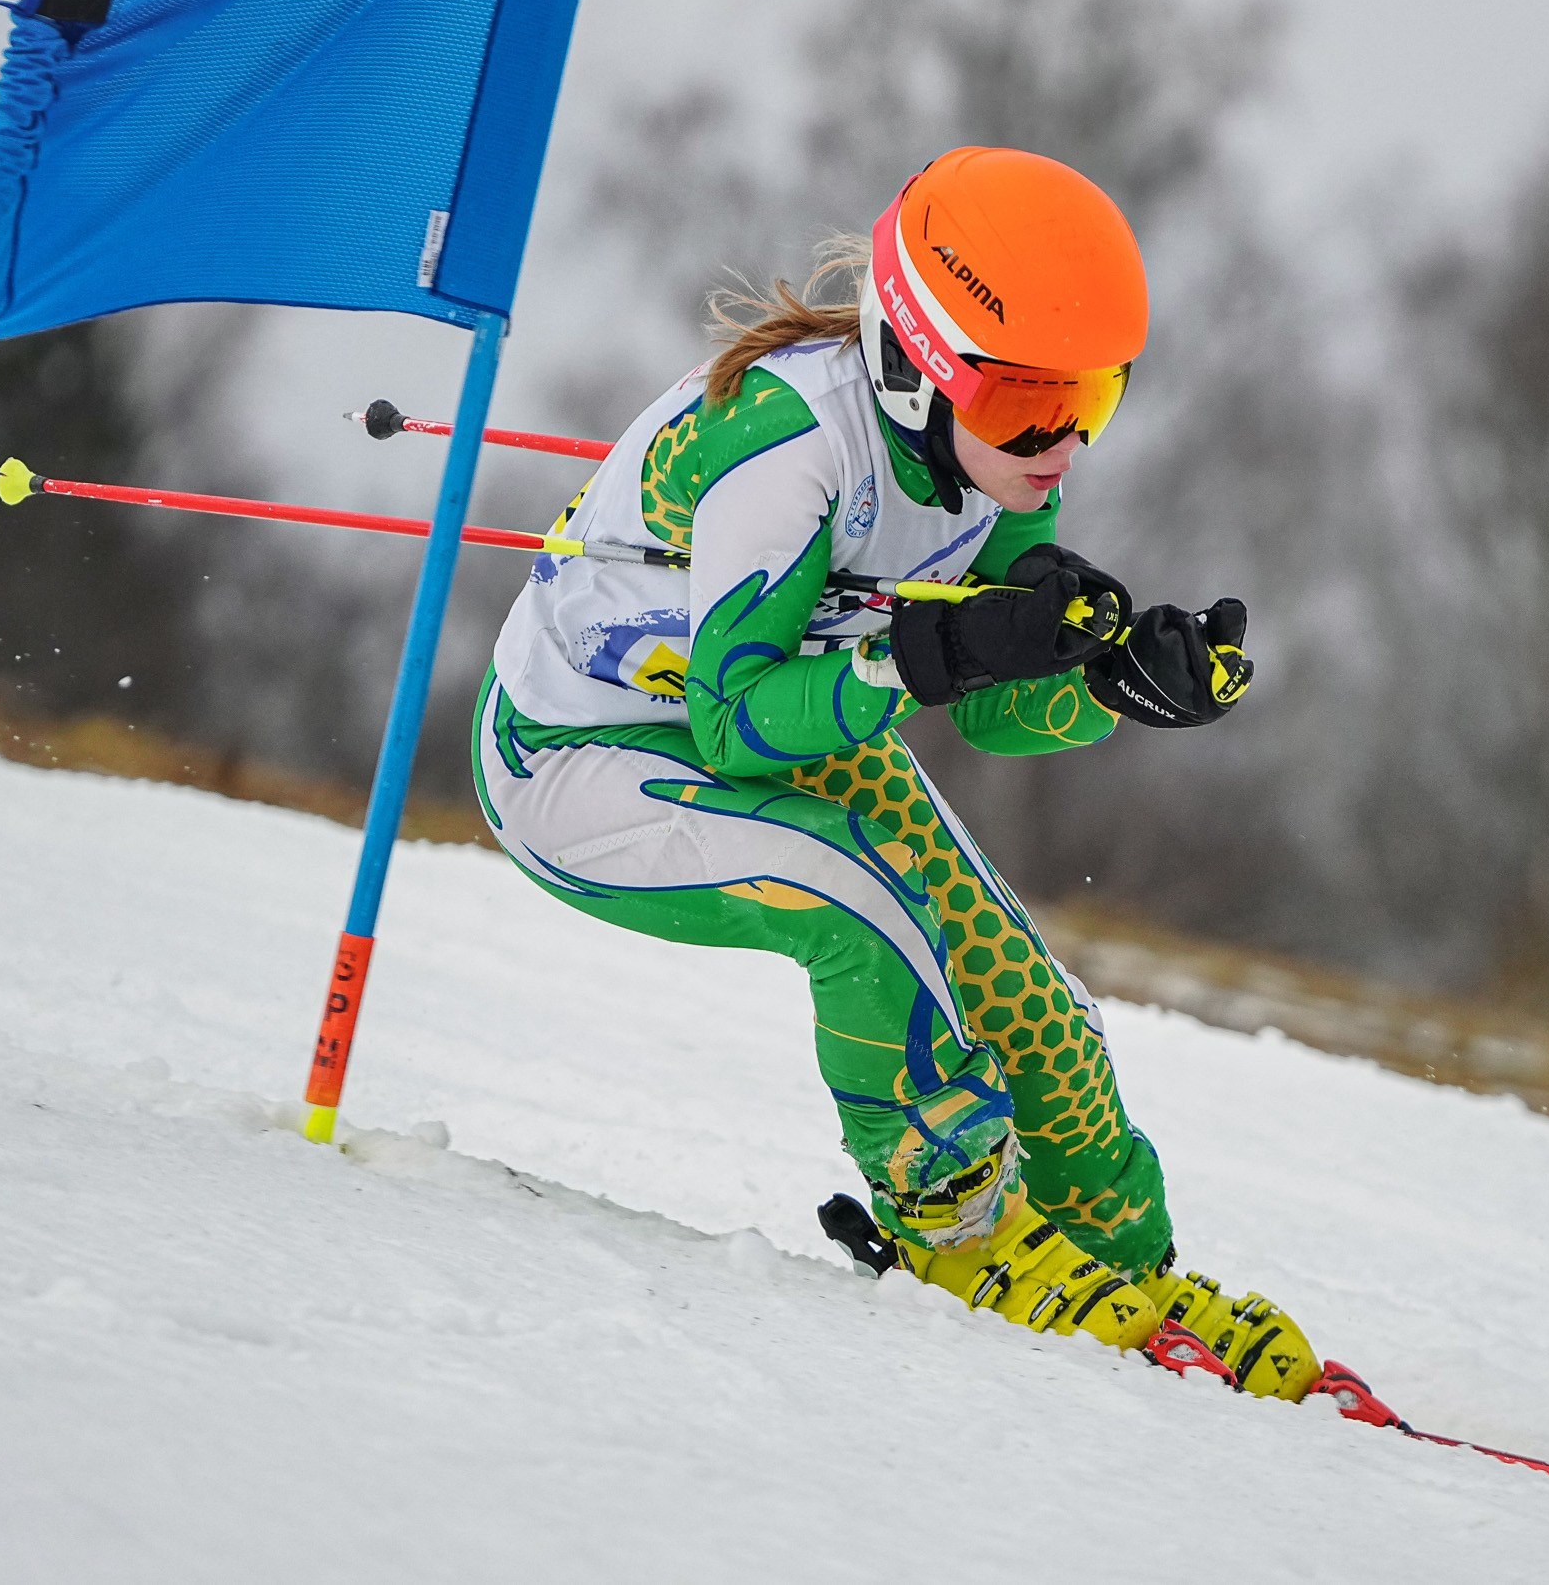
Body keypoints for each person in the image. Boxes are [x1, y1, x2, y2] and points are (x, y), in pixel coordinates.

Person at [474, 146, 1317, 1400]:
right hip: (581, 757)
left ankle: (1121, 1262)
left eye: (1097, 395)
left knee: (1032, 1002)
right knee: (859, 909)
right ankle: (955, 1232)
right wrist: (919, 661)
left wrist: (1106, 685)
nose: (1065, 441)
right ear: (916, 370)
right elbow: (737, 722)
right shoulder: (791, 448)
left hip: (804, 724)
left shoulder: (995, 468)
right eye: (1030, 401)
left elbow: (997, 717)